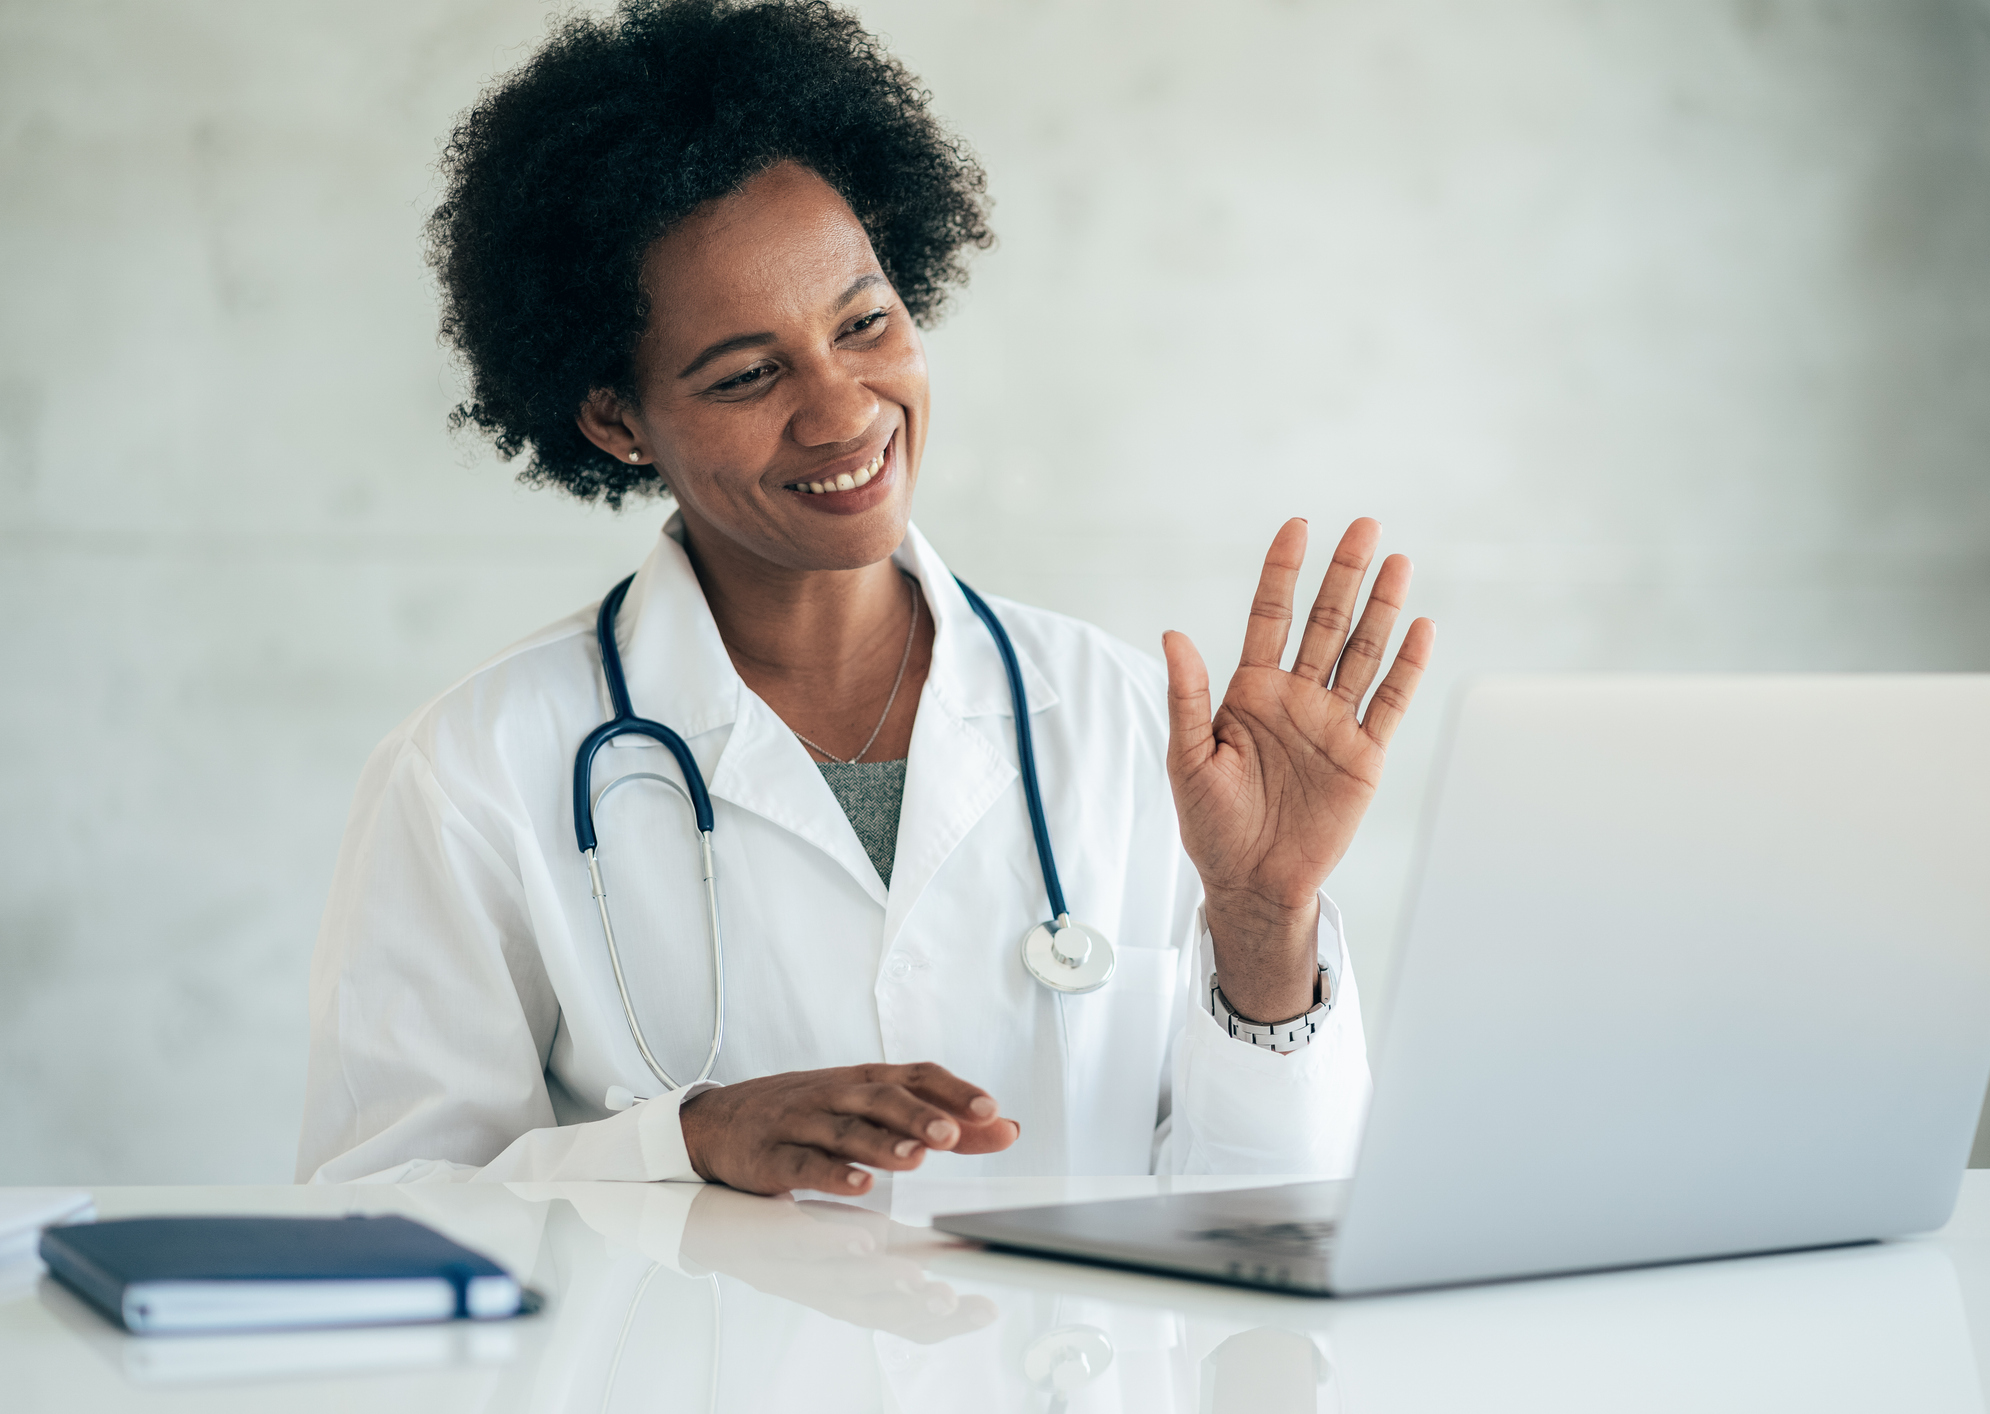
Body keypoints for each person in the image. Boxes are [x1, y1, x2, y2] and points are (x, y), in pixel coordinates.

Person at [296, 0, 1433, 1193]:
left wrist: (1263, 921)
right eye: (747, 374)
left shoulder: (1131, 724)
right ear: (616, 419)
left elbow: (1276, 1217)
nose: (844, 412)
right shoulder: (474, 773)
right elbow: (377, 1222)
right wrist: (678, 1146)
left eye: (866, 323)